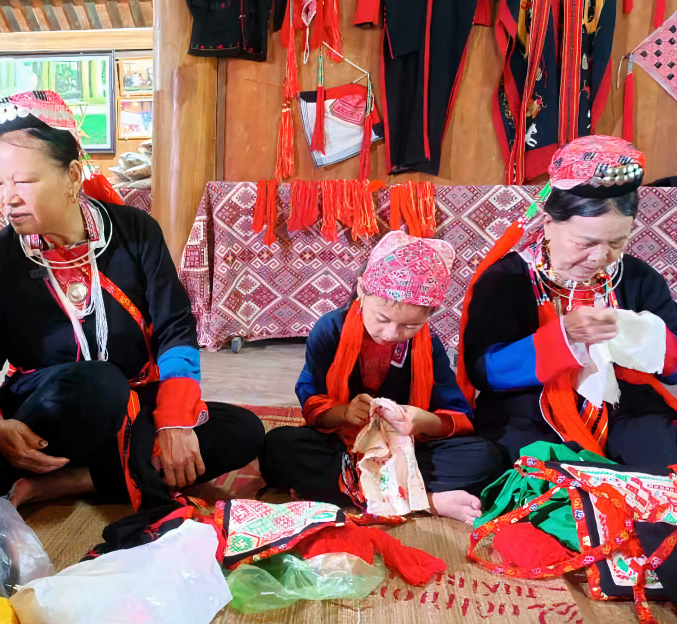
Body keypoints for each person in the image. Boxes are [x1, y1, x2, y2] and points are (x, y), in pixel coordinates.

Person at [0, 90, 265, 509]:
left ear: (74, 175)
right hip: (55, 412)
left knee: (243, 430)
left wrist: (173, 423)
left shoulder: (135, 231)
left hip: (137, 403)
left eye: (23, 180)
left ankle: (70, 481)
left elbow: (175, 331)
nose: (9, 197)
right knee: (98, 383)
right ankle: (75, 465)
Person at [460, 135, 677, 468]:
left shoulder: (637, 278)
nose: (600, 257)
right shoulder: (507, 279)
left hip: (625, 403)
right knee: (537, 476)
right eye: (585, 243)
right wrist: (562, 339)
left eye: (616, 243)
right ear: (548, 225)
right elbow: (483, 372)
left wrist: (643, 337)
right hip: (529, 407)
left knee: (664, 466)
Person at [261, 232, 505, 524]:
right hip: (343, 444)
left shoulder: (430, 346)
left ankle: (348, 491)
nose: (391, 334)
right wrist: (345, 413)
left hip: (406, 451)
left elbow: (457, 415)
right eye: (382, 319)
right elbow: (312, 402)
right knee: (277, 447)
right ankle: (426, 501)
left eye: (410, 325)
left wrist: (419, 421)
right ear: (363, 290)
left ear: (430, 315)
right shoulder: (330, 330)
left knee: (488, 458)